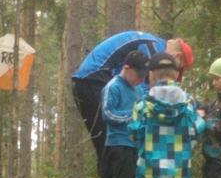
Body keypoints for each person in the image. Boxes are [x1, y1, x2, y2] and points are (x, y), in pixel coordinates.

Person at [72, 31, 194, 170]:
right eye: (179, 67)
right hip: (93, 79)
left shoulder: (154, 43)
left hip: (88, 79)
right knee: (111, 145)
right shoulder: (153, 49)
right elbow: (143, 91)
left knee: (108, 147)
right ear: (177, 57)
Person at [129, 53, 204, 178]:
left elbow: (134, 133)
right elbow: (196, 130)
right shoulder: (188, 103)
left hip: (150, 168)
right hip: (179, 167)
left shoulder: (142, 104)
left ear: (152, 74)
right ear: (177, 75)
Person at [100, 50, 150, 178]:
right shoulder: (113, 86)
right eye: (139, 75)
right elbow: (107, 114)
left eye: (144, 76)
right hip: (118, 145)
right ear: (127, 68)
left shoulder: (138, 90)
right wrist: (132, 116)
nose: (141, 80)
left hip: (135, 146)